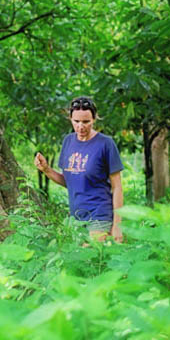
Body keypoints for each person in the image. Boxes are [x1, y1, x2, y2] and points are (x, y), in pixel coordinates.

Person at [34, 97, 124, 242]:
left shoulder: (106, 144)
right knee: (80, 261)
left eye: (86, 122)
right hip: (76, 218)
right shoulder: (68, 141)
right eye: (76, 121)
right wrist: (46, 169)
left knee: (90, 258)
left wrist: (118, 225)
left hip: (99, 214)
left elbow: (117, 187)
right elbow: (70, 181)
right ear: (70, 118)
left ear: (94, 119)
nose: (80, 126)